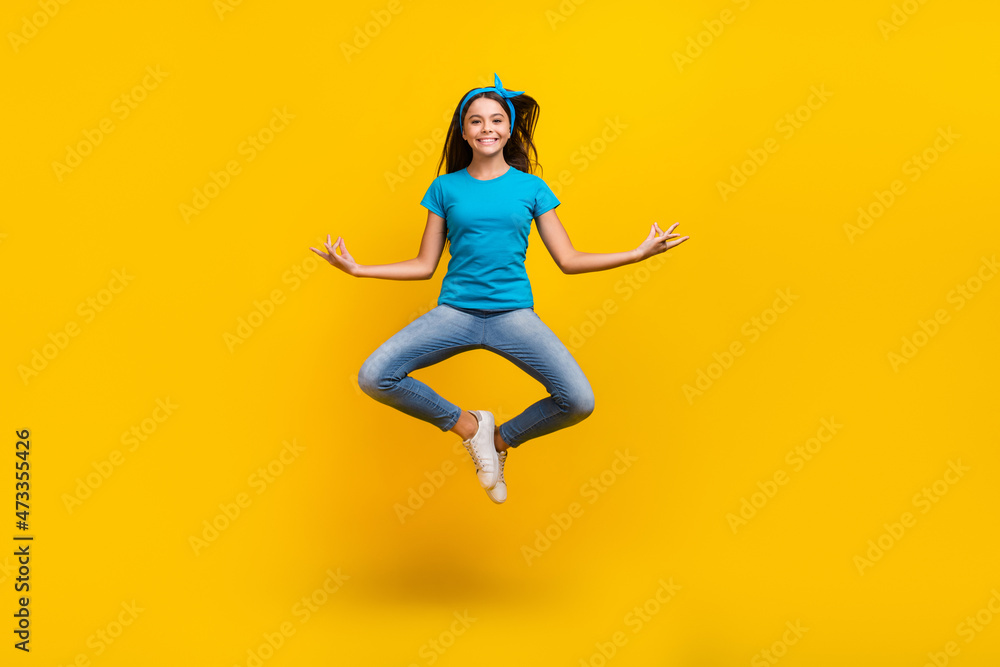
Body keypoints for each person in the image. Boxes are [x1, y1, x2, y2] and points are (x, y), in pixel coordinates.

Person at [311, 73, 689, 505]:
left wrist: (635, 254)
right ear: (464, 131)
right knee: (375, 376)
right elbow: (423, 264)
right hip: (455, 313)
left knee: (579, 401)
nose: (486, 128)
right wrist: (359, 269)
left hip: (514, 317)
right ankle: (472, 428)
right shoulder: (445, 187)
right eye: (476, 121)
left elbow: (568, 260)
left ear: (509, 129)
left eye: (495, 119)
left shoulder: (531, 188)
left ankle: (499, 441)